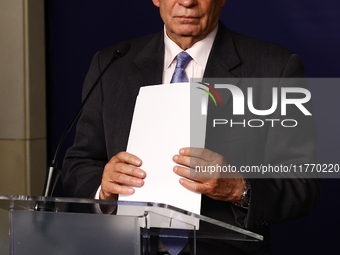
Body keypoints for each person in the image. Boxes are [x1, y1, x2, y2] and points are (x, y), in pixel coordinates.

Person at [62, 0, 320, 254]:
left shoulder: (275, 67)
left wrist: (239, 189)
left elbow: (302, 183)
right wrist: (104, 188)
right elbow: (80, 163)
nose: (187, 2)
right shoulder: (111, 64)